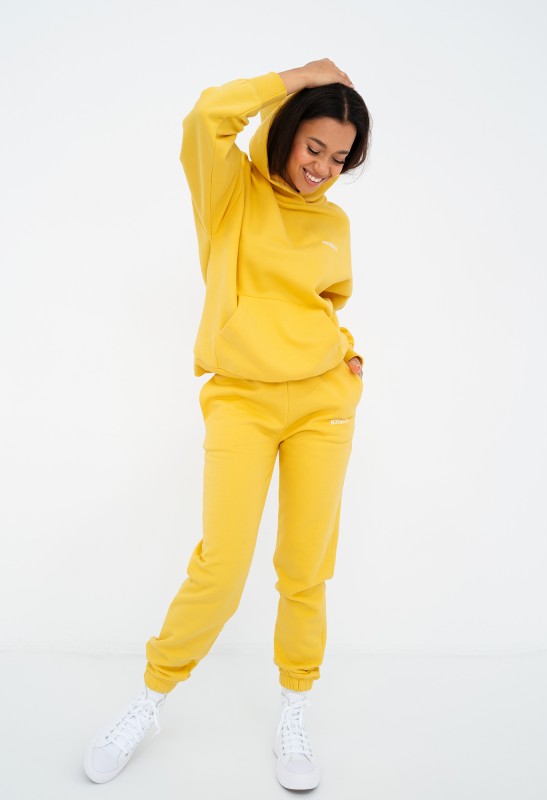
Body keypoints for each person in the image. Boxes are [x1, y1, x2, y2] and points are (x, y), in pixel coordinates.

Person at [84, 58, 371, 791]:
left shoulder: (334, 222)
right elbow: (204, 118)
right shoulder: (231, 191)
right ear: (286, 131)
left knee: (306, 566)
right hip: (242, 399)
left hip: (322, 405)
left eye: (339, 158)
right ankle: (150, 698)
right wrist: (295, 76)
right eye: (313, 147)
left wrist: (346, 358)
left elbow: (324, 304)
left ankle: (295, 707)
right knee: (222, 565)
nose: (322, 168)